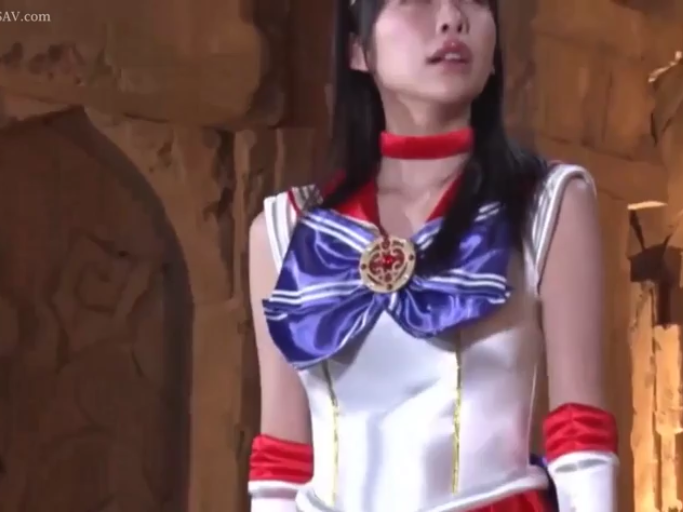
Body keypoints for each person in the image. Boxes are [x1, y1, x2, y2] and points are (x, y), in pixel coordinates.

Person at [246, 0, 618, 511]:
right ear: (357, 49)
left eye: (475, 0)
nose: (451, 17)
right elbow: (280, 464)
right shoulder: (284, 229)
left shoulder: (548, 201)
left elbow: (582, 440)